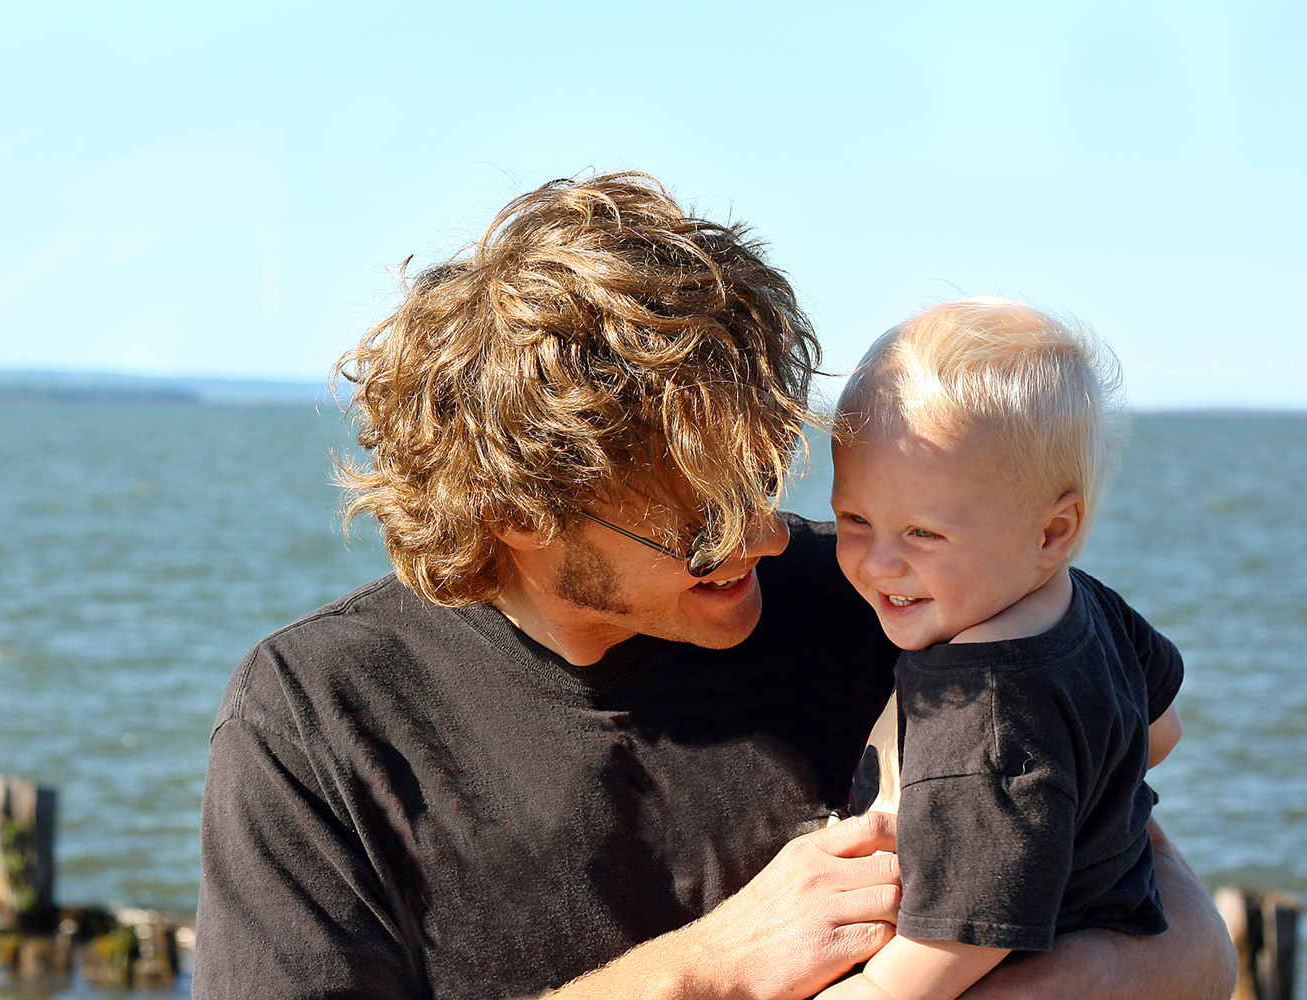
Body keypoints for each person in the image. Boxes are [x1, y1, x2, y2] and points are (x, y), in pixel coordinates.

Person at [193, 173, 1236, 1000]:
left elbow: (1181, 933)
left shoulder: (897, 601)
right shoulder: (318, 715)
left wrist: (1091, 978)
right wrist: (709, 966)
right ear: (516, 511)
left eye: (760, 480)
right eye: (697, 521)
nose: (762, 536)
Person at [817, 299, 1185, 1000]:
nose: (880, 563)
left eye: (923, 533)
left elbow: (943, 951)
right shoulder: (1089, 604)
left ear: (1051, 531)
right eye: (855, 519)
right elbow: (1160, 733)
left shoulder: (981, 718)